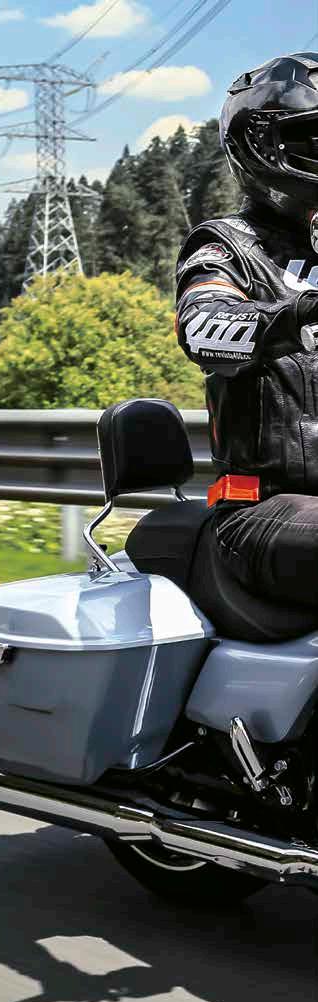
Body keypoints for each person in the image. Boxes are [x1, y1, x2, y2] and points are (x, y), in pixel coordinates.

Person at [175, 52, 318, 608]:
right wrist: (297, 315)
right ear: (261, 146)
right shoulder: (227, 245)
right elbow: (203, 326)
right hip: (261, 510)